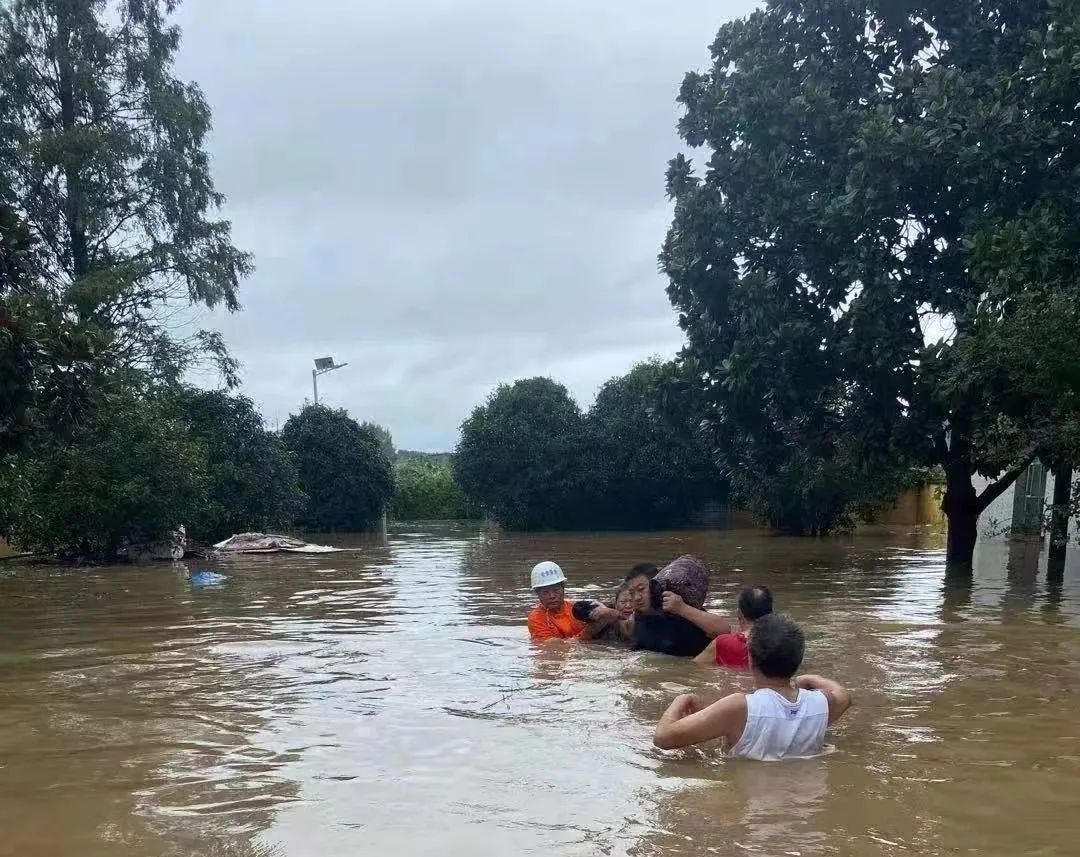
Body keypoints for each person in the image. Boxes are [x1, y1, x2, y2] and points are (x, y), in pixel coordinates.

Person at [653, 613, 852, 760]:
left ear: (750, 659)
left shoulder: (740, 707)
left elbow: (663, 737)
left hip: (752, 806)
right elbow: (843, 694)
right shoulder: (821, 703)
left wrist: (682, 699)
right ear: (798, 659)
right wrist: (810, 678)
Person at [660, 584, 773, 670]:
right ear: (771, 613)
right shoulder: (782, 641)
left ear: (739, 613)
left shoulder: (722, 643)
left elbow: (693, 669)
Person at [625, 556, 711, 657]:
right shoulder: (635, 619)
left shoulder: (679, 608)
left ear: (656, 585)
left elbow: (723, 630)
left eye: (641, 589)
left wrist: (682, 608)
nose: (637, 597)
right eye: (632, 593)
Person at [527, 560, 620, 641]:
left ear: (563, 589)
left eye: (556, 590)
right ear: (538, 594)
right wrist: (591, 629)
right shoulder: (536, 618)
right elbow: (555, 648)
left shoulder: (578, 607)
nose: (552, 596)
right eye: (545, 592)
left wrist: (605, 611)